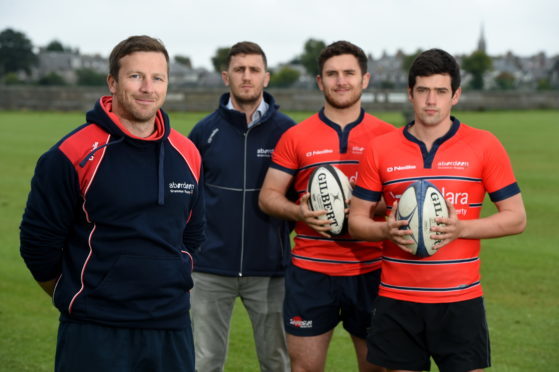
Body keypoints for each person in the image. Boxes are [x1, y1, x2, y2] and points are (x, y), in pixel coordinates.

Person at [19, 35, 204, 372]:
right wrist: (80, 293)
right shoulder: (72, 153)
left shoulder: (187, 153)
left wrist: (173, 275)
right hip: (95, 330)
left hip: (170, 326)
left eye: (157, 78)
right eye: (136, 76)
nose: (148, 87)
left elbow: (194, 233)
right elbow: (38, 245)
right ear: (113, 82)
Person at [348, 48, 527, 372]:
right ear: (410, 93)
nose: (431, 100)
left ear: (455, 95)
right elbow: (357, 221)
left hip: (460, 300)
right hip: (397, 299)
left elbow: (516, 217)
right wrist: (383, 230)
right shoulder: (381, 149)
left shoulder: (484, 145)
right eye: (423, 90)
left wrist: (462, 229)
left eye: (441, 91)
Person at [258, 40, 395, 372]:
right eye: (332, 74)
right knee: (304, 368)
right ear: (320, 81)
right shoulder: (296, 136)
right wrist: (299, 212)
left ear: (365, 79)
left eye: (349, 73)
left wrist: (365, 207)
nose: (341, 81)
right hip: (311, 271)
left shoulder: (389, 137)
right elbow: (268, 196)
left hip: (372, 269)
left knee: (377, 368)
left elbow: (400, 201)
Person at [187, 41, 294, 372]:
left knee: (277, 362)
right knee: (204, 362)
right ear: (225, 76)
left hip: (270, 270)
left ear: (266, 77)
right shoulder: (204, 132)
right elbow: (188, 201)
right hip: (209, 270)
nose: (246, 77)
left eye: (254, 70)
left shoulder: (288, 132)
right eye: (239, 69)